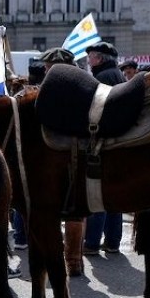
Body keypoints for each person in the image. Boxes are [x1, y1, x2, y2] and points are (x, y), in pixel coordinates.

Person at [39, 47, 88, 276]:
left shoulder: (56, 86)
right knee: (76, 208)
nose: (46, 71)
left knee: (64, 208)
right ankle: (75, 260)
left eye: (49, 67)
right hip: (77, 152)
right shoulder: (85, 82)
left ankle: (71, 260)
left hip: (59, 153)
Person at [83, 41, 124, 257]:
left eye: (90, 57)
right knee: (113, 195)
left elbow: (93, 110)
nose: (88, 61)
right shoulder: (117, 74)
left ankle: (91, 243)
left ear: (99, 58)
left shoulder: (102, 78)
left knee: (97, 194)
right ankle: (113, 242)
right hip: (117, 141)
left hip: (102, 142)